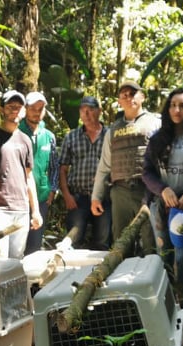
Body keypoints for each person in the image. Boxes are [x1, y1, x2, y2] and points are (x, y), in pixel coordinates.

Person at [142, 88, 183, 300]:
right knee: (165, 254)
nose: (177, 110)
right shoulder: (158, 138)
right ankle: (167, 301)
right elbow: (146, 171)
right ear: (167, 108)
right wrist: (163, 189)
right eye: (173, 105)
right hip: (161, 205)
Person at [91, 81, 160, 256]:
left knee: (151, 239)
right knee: (121, 241)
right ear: (119, 101)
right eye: (124, 95)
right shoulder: (112, 131)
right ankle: (122, 280)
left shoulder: (156, 123)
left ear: (142, 96)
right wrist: (96, 197)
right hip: (119, 191)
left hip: (147, 190)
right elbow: (104, 166)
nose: (128, 98)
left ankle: (157, 279)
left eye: (133, 93)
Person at [0, 91, 42, 258]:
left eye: (19, 107)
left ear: (23, 110)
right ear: (2, 110)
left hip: (21, 209)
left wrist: (35, 210)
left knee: (16, 261)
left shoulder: (25, 140)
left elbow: (28, 177)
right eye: (10, 107)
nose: (15, 110)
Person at [58, 96, 111, 250]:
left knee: (102, 242)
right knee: (73, 241)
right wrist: (67, 196)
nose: (86, 114)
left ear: (99, 111)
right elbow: (63, 169)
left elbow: (117, 165)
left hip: (104, 197)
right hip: (78, 197)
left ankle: (100, 273)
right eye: (83, 110)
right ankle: (72, 273)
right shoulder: (72, 137)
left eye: (90, 110)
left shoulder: (110, 135)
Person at [19, 91, 57, 255]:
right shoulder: (16, 132)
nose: (37, 111)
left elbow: (55, 165)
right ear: (25, 109)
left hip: (41, 196)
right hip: (18, 197)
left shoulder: (49, 136)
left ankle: (31, 279)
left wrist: (52, 189)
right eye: (33, 108)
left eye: (40, 108)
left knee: (34, 245)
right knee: (17, 245)